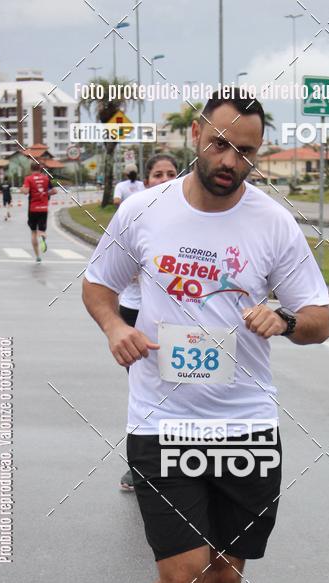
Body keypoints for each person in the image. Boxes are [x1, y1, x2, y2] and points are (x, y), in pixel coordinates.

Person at [82, 90, 329, 583]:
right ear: (197, 134)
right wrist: (113, 327)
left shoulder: (272, 224)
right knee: (184, 574)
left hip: (245, 424)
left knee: (226, 572)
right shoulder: (144, 210)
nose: (230, 160)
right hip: (162, 421)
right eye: (220, 144)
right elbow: (98, 282)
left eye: (245, 151)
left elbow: (320, 319)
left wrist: (285, 318)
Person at [119, 152, 180, 491]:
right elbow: (110, 272)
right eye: (158, 173)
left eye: (171, 173)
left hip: (176, 318)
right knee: (145, 390)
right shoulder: (134, 214)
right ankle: (139, 466)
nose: (165, 179)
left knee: (180, 387)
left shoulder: (192, 216)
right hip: (135, 312)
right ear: (146, 180)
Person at [21, 162, 56, 261]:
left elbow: (26, 191)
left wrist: (22, 189)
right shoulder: (46, 178)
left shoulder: (29, 178)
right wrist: (45, 193)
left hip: (33, 209)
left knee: (33, 232)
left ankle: (37, 256)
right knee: (41, 231)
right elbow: (54, 191)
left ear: (31, 169)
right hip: (43, 208)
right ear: (40, 169)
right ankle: (42, 236)